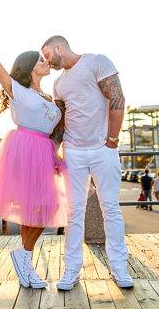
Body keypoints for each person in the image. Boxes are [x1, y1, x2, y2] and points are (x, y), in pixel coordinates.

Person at [0, 29, 68, 289]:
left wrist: (55, 154)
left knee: (42, 208)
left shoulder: (50, 97)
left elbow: (58, 129)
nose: (45, 62)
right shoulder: (17, 89)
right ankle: (25, 258)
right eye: (40, 60)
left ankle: (25, 260)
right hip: (24, 148)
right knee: (35, 209)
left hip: (45, 151)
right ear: (30, 67)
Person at [42, 35, 134, 290]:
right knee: (73, 213)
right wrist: (54, 151)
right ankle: (71, 270)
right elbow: (61, 122)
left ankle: (119, 267)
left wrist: (112, 140)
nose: (46, 62)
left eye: (47, 54)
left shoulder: (97, 62)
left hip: (103, 149)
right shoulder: (58, 84)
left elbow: (117, 99)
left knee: (111, 209)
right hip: (74, 152)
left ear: (58, 47)